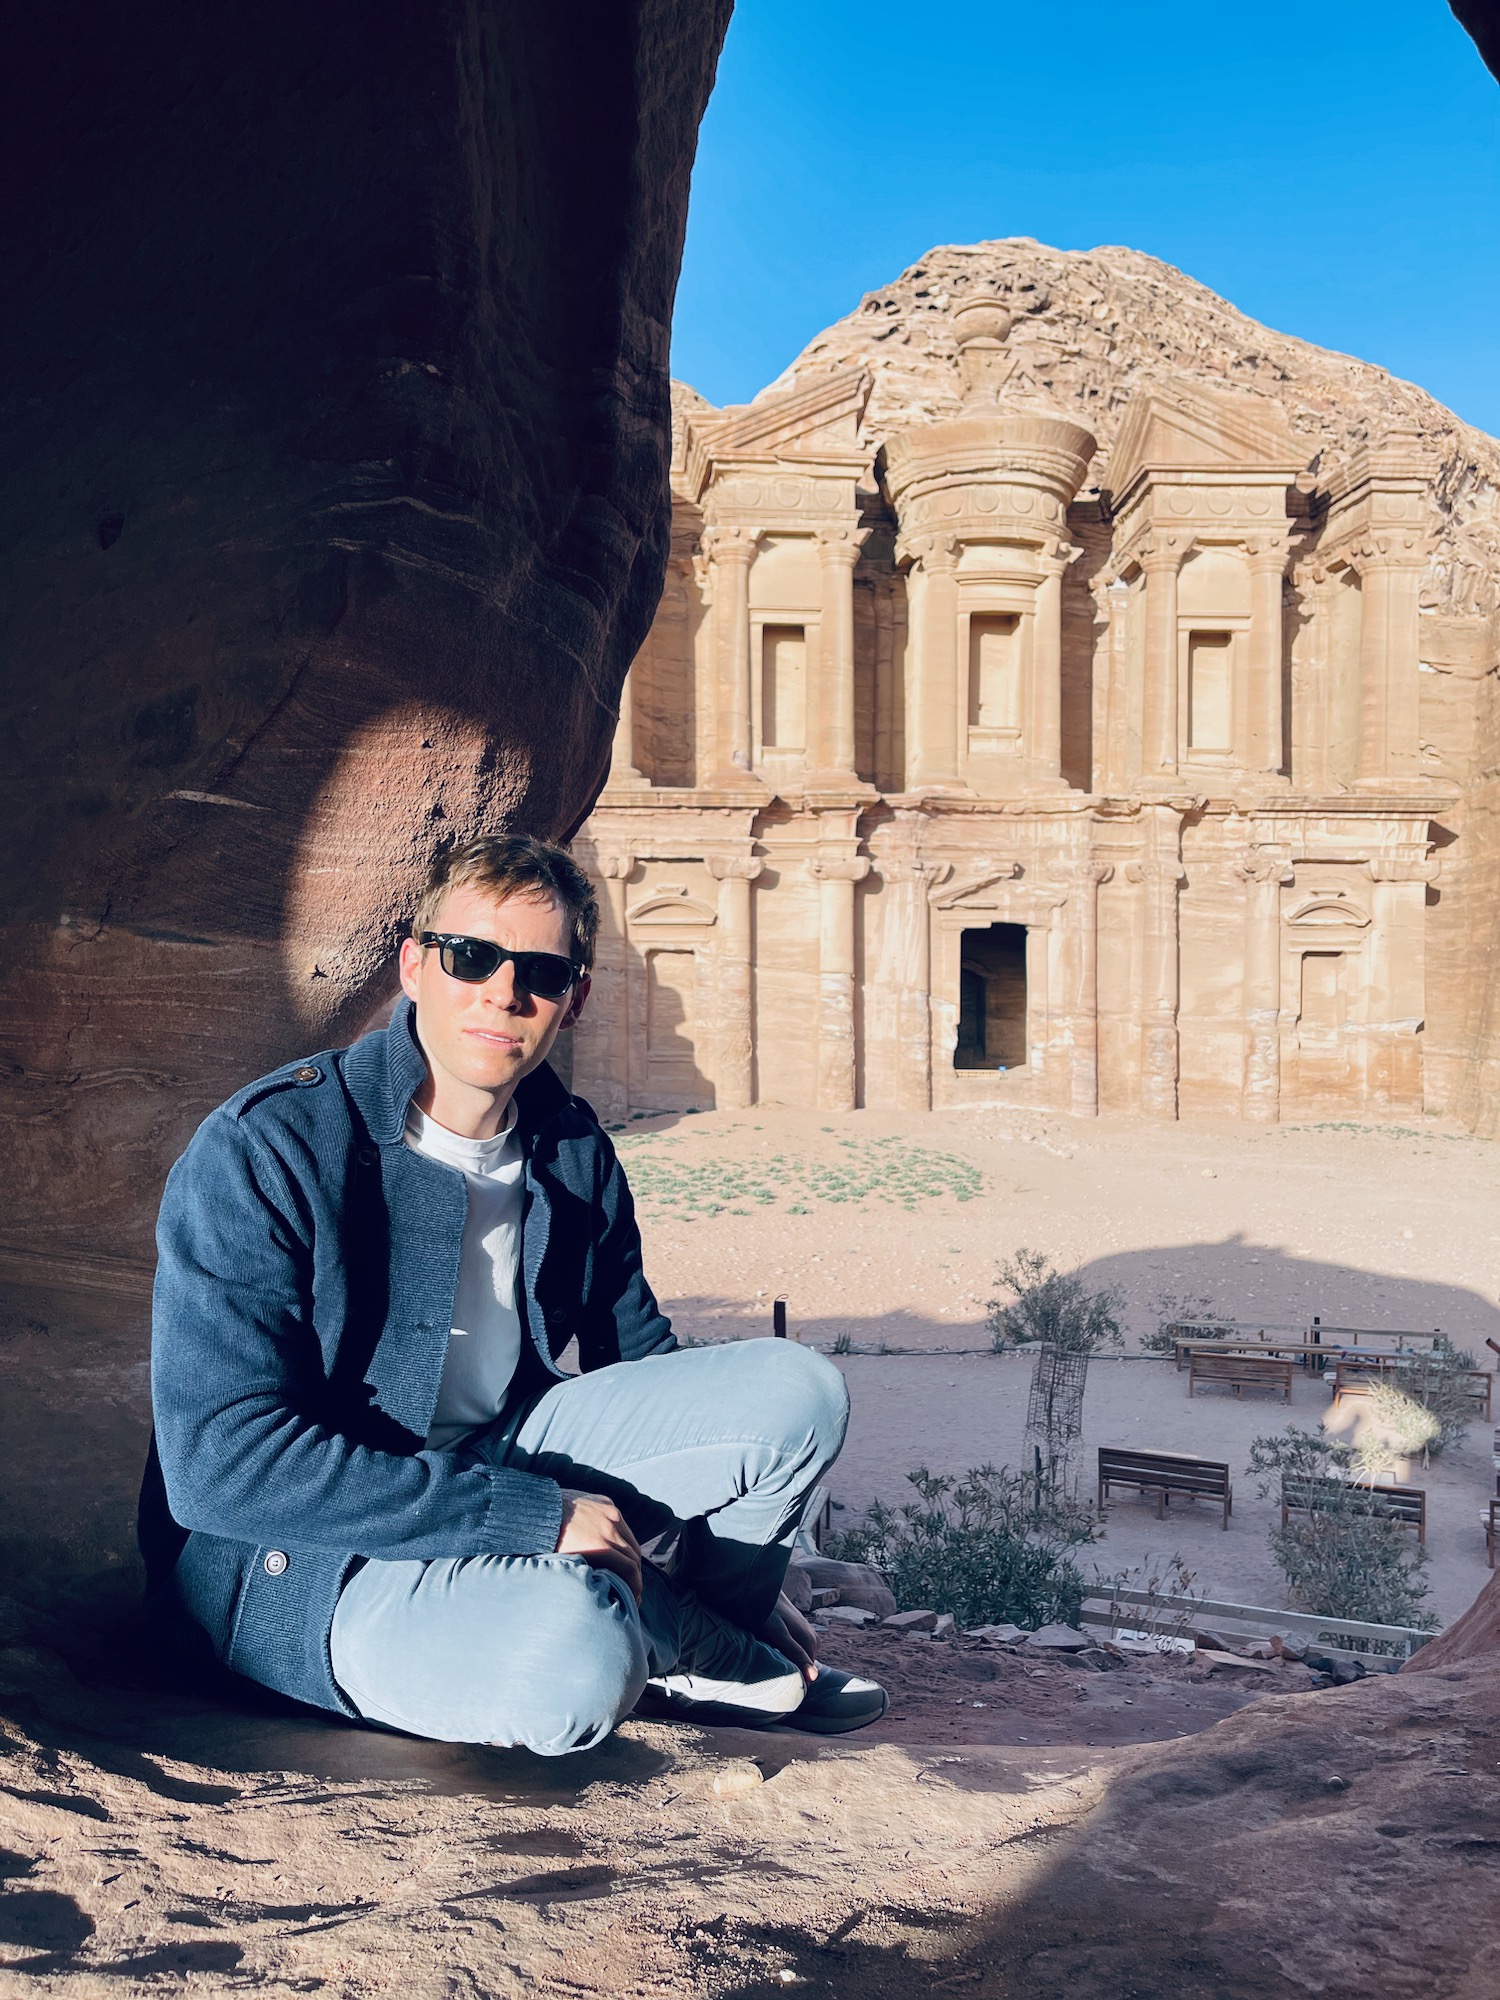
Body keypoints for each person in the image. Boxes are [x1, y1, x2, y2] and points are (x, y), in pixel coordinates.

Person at [140, 832, 886, 1755]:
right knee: (569, 1667)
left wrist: (741, 1574)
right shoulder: (268, 1146)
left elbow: (644, 1366)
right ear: (415, 966)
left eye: (539, 969)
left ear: (572, 1001)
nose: (503, 991)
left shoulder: (567, 1147)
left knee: (794, 1393)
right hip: (318, 1555)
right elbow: (220, 1469)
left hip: (506, 1463)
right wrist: (538, 1518)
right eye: (472, 957)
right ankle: (649, 1635)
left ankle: (704, 1650)